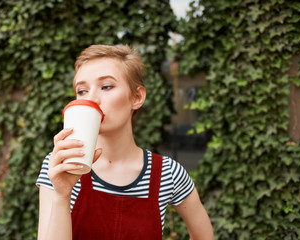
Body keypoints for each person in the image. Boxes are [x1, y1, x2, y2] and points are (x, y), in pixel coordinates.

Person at [36, 44, 214, 240]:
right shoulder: (59, 166)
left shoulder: (167, 173)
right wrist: (62, 196)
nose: (92, 99)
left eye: (106, 86)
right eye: (82, 91)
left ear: (137, 97)